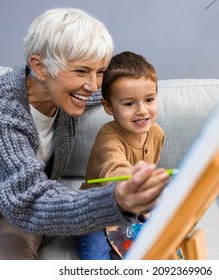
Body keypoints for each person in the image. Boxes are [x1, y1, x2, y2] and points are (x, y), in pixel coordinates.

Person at [0, 8, 169, 260]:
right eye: (81, 71)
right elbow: (30, 202)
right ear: (39, 67)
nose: (93, 85)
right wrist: (116, 201)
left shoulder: (68, 94)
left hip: (9, 219)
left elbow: (114, 92)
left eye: (100, 71)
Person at [77, 51, 164, 260]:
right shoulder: (109, 136)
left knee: (163, 241)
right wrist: (135, 181)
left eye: (149, 99)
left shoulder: (157, 133)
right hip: (96, 208)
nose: (142, 110)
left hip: (131, 205)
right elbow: (114, 166)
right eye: (129, 104)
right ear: (108, 107)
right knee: (95, 257)